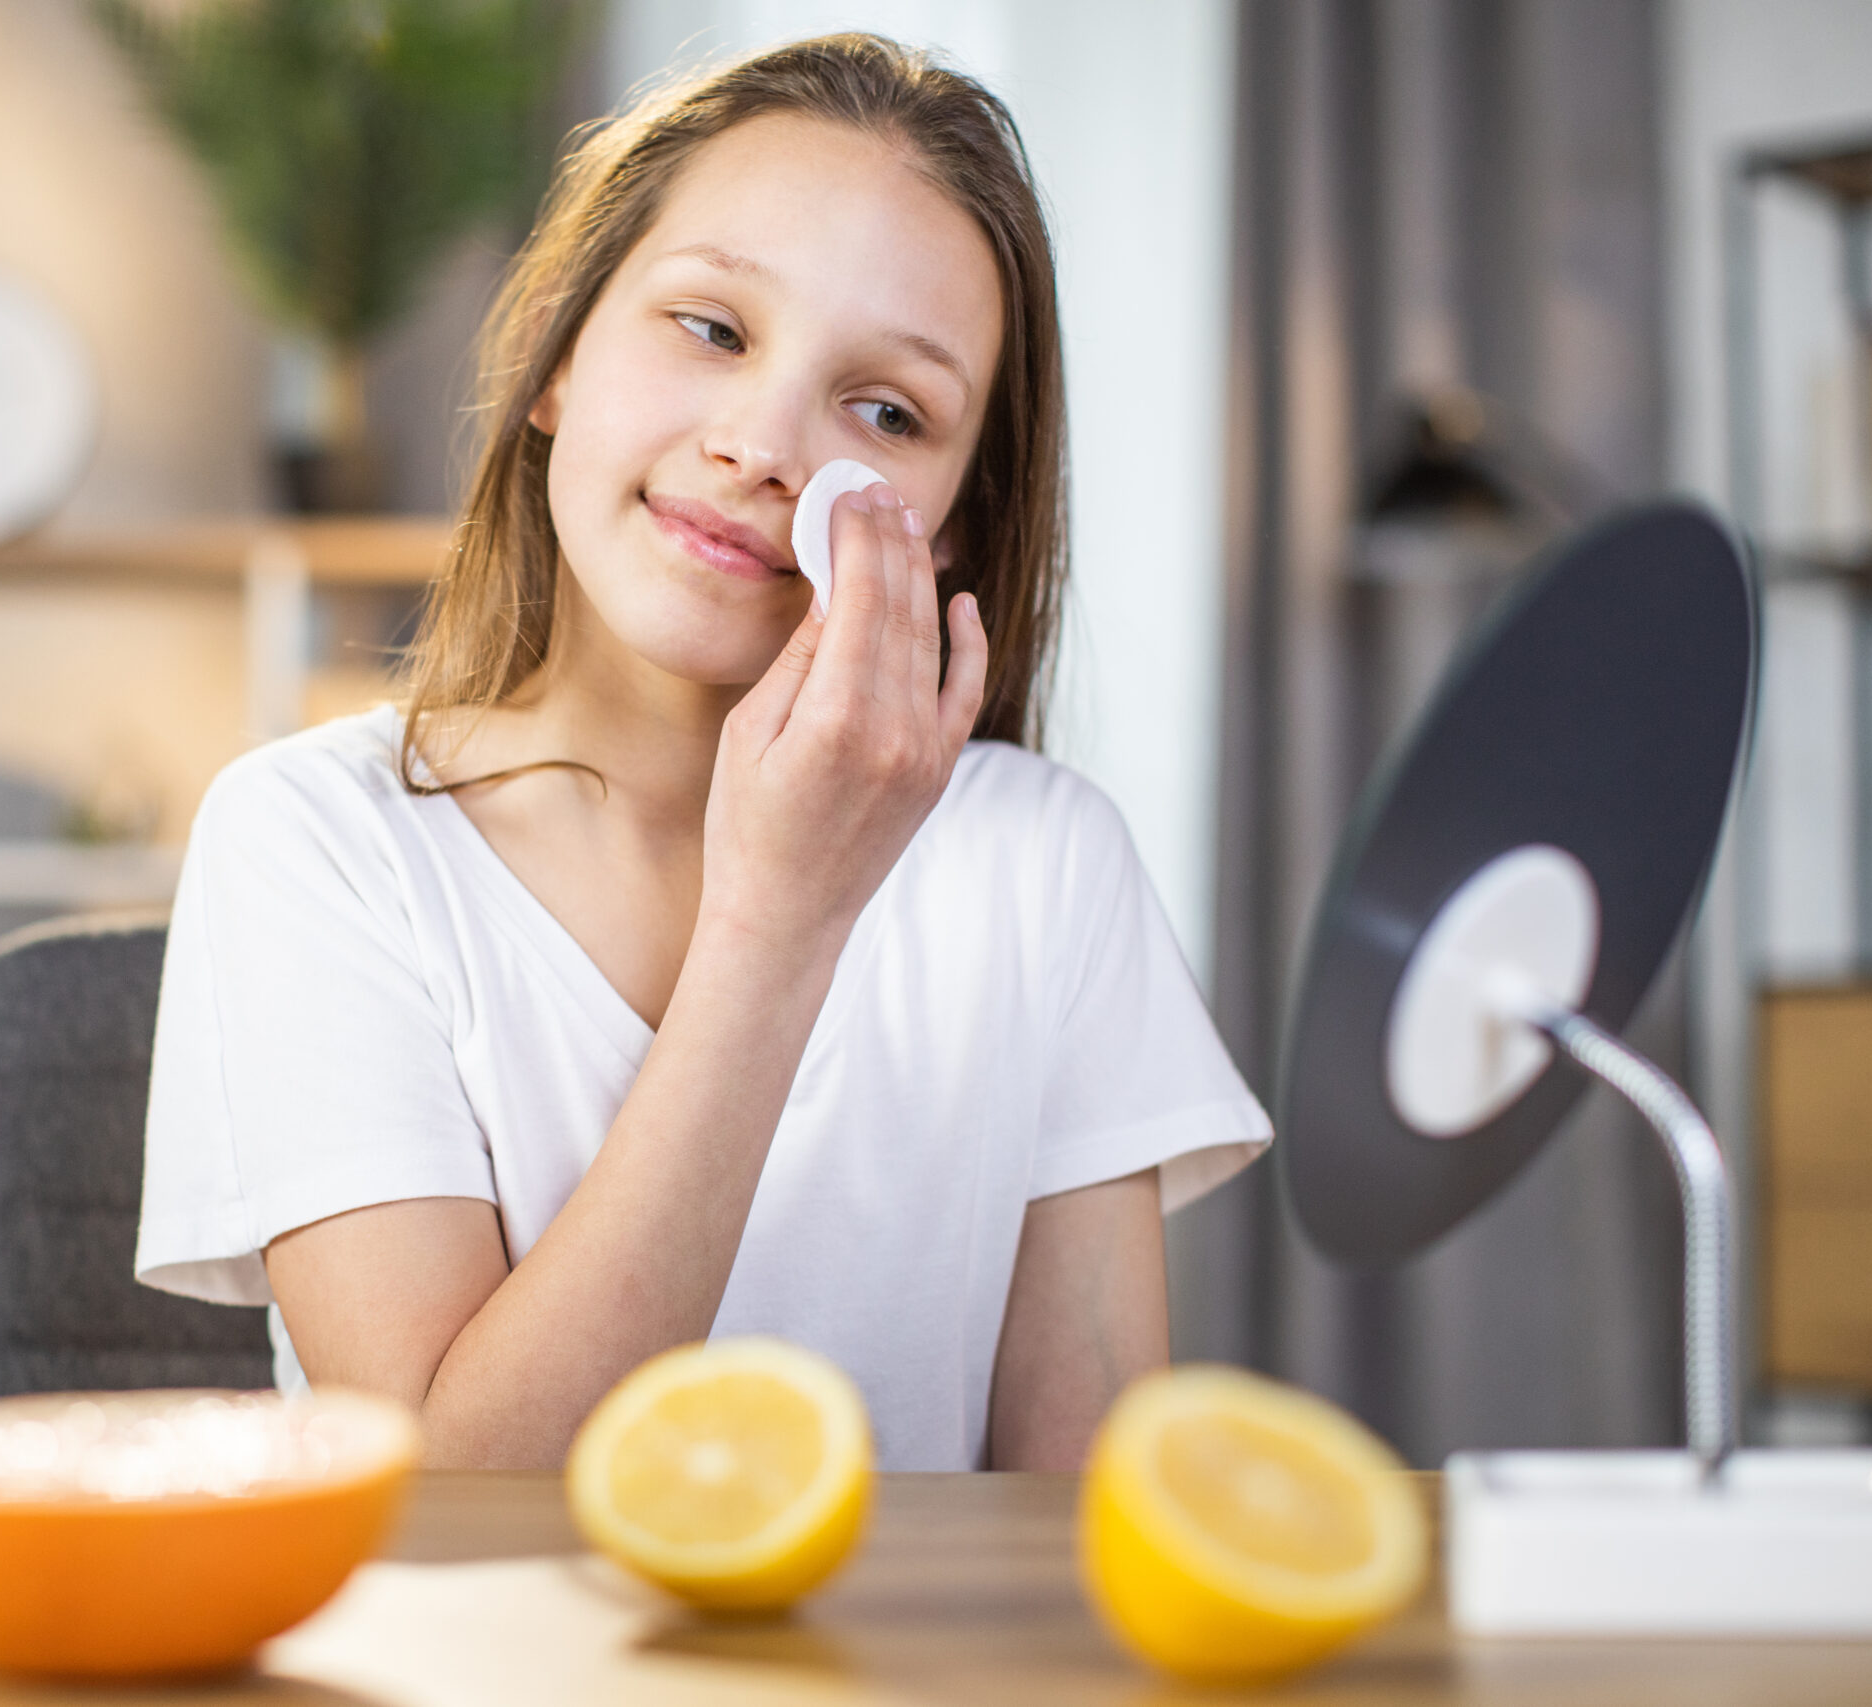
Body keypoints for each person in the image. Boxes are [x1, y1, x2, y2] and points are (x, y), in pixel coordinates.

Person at [136, 33, 1269, 1473]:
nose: (762, 444)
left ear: (957, 522)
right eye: (713, 330)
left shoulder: (1042, 866)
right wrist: (777, 921)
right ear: (555, 354)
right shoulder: (314, 838)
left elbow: (1092, 1528)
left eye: (887, 411)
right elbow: (452, 1500)